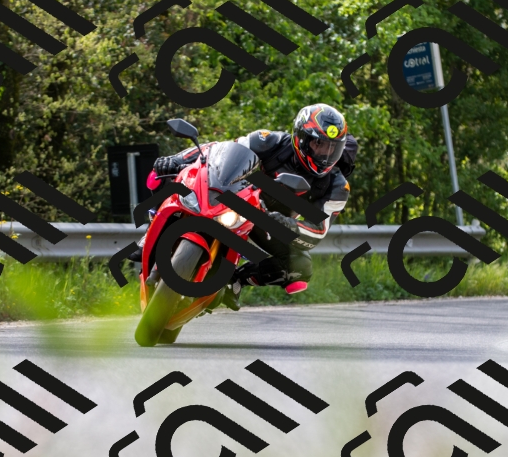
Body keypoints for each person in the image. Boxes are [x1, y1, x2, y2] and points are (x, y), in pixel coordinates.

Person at [133, 103, 358, 309]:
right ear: (300, 137)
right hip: (235, 196)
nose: (325, 155)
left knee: (300, 267)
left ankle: (235, 281)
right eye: (319, 145)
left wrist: (287, 224)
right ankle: (151, 231)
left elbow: (318, 230)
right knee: (165, 174)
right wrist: (177, 159)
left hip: (269, 221)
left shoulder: (338, 187)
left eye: (332, 148)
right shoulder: (269, 141)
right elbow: (219, 150)